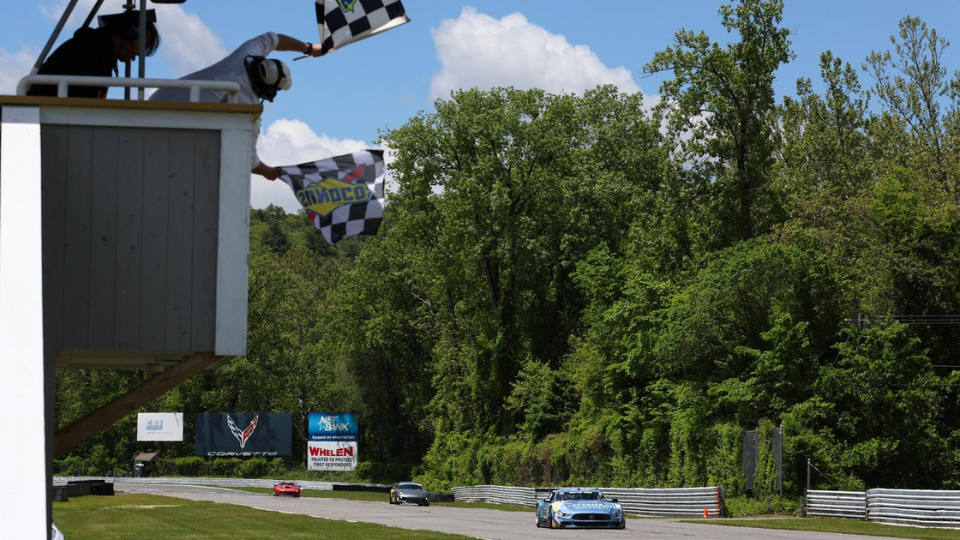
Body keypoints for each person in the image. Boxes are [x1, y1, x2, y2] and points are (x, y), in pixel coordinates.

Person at [150, 32, 327, 180]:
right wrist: (271, 173)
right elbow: (249, 160)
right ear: (269, 91)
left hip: (150, 107)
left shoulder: (243, 58)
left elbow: (273, 38)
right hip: (170, 143)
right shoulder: (248, 110)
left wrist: (309, 48)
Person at [27, 14, 161, 99]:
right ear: (128, 34)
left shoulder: (100, 52)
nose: (138, 54)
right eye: (142, 45)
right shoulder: (89, 52)